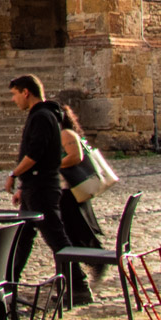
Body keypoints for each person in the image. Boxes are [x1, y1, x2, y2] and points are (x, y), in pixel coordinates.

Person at [5, 75, 90, 306]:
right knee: (23, 238)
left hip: (42, 189)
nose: (13, 100)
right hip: (36, 186)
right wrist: (24, 186)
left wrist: (14, 174)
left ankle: (79, 287)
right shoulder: (45, 115)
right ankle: (8, 284)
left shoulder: (42, 116)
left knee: (56, 239)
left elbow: (35, 154)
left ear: (26, 92)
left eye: (14, 94)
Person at [53, 102, 103, 261]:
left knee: (75, 229)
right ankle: (72, 268)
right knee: (70, 230)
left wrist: (52, 165)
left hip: (70, 189)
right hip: (67, 188)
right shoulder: (62, 133)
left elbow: (76, 156)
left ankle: (97, 259)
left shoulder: (66, 134)